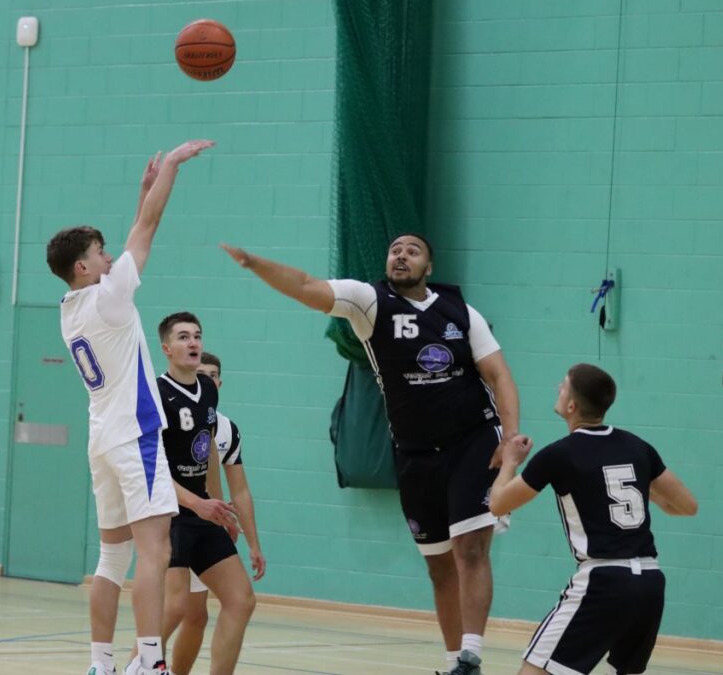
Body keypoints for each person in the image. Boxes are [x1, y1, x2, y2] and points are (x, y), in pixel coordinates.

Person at [221, 234, 521, 675]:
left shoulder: (461, 312)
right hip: (415, 453)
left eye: (412, 251)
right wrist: (253, 262)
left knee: (471, 549)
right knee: (439, 567)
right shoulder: (369, 302)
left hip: (473, 441)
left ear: (429, 267)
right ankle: (454, 662)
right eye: (395, 250)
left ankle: (471, 656)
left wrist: (509, 437)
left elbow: (499, 374)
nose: (401, 255)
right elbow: (305, 285)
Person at [46, 138, 214, 675]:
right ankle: (151, 662)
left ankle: (101, 663)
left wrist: (144, 190)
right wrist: (171, 168)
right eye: (100, 253)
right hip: (135, 436)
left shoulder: (71, 307)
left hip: (102, 438)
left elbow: (134, 234)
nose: (110, 257)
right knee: (155, 552)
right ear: (83, 266)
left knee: (112, 557)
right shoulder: (110, 298)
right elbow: (148, 229)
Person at [488, 363, 698, 675]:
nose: (558, 389)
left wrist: (510, 462)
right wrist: (644, 489)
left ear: (571, 405)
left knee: (534, 671)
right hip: (650, 582)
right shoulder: (638, 446)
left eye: (562, 386)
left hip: (603, 581)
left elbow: (498, 504)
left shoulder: (559, 454)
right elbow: (687, 506)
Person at [152, 313, 257, 675]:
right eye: (183, 337)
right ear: (167, 348)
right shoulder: (156, 394)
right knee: (176, 607)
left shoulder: (207, 390)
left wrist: (217, 505)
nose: (193, 342)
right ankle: (137, 666)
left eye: (197, 335)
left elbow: (208, 448)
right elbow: (150, 468)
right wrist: (197, 503)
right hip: (168, 513)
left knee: (241, 599)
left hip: (202, 510)